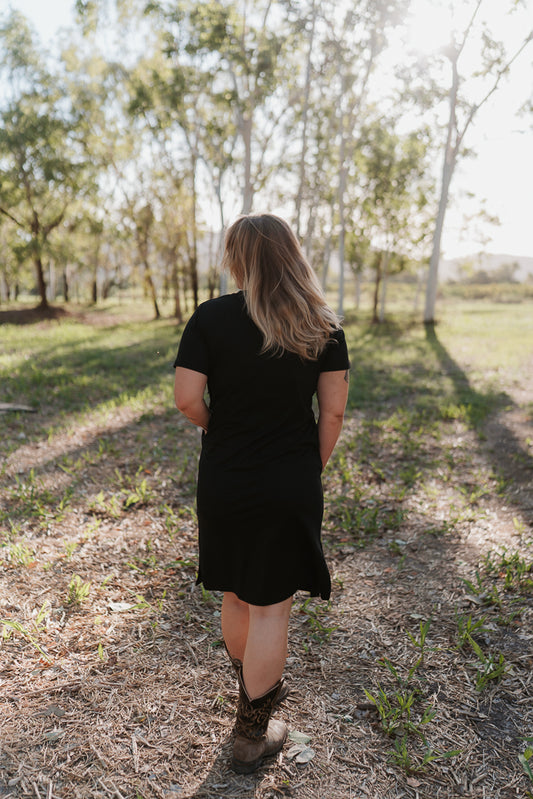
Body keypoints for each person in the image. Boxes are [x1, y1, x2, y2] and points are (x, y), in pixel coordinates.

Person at [173, 213, 349, 774]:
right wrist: (307, 468)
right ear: (291, 254)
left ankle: (251, 705)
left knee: (236, 592)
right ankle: (252, 731)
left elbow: (185, 397)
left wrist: (219, 430)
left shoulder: (212, 317)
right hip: (289, 479)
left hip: (225, 477)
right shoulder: (321, 323)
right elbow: (335, 410)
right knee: (273, 606)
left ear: (239, 257)